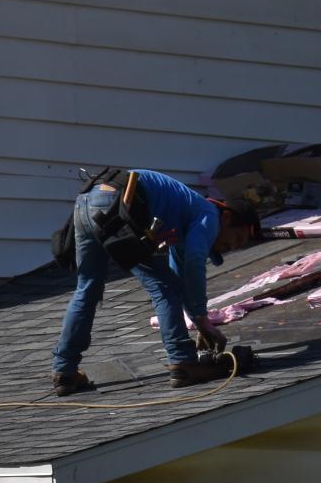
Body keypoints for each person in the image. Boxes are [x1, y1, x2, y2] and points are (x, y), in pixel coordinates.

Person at [50, 168, 259, 395]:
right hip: (116, 202)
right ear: (227, 216)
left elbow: (184, 278)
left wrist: (200, 321)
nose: (232, 247)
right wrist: (202, 319)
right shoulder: (209, 214)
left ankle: (64, 372)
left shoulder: (185, 218)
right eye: (237, 238)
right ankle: (183, 362)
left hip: (87, 201)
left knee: (87, 288)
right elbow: (195, 260)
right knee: (164, 287)